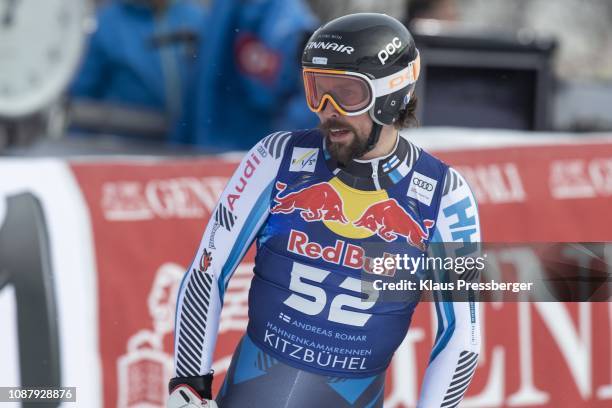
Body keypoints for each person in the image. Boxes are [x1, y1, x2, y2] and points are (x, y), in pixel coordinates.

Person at [168, 13, 481, 408]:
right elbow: (207, 271)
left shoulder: (443, 194)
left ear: (391, 94)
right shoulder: (277, 156)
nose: (326, 110)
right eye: (317, 90)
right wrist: (188, 385)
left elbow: (461, 337)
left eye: (346, 94)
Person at [186, 0, 319, 150]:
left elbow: (270, 92)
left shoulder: (284, 16)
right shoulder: (223, 9)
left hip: (256, 149)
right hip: (208, 144)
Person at [70, 0, 206, 142]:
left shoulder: (197, 18)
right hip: (127, 148)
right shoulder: (106, 25)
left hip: (192, 151)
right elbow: (80, 102)